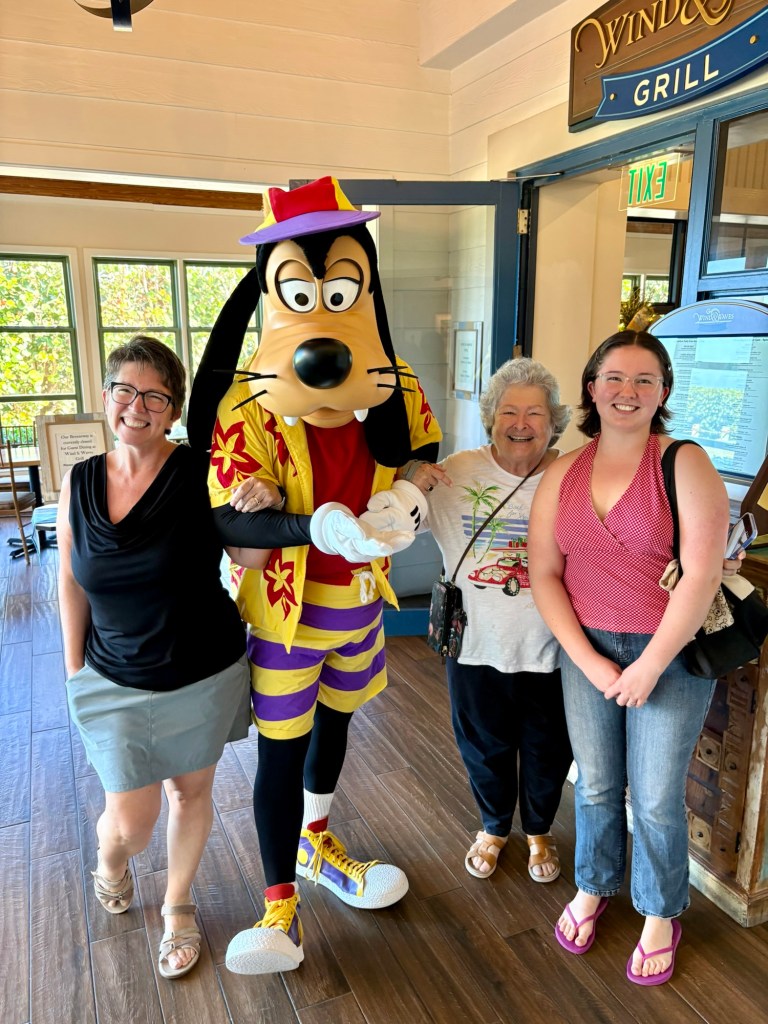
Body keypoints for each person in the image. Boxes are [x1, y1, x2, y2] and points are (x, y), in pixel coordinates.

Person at [186, 176, 442, 976]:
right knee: (281, 749)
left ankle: (318, 843)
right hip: (285, 617)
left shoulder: (393, 379)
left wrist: (410, 491)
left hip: (361, 605)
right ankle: (278, 907)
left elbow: (425, 449)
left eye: (338, 290)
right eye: (300, 292)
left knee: (337, 725)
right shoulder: (247, 400)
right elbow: (232, 521)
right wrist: (288, 516)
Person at [528, 330, 730, 985]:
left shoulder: (683, 463)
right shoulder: (562, 471)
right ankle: (593, 885)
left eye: (645, 379)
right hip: (584, 649)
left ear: (663, 391)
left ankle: (660, 910)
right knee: (594, 784)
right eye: (614, 377)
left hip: (667, 652)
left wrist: (650, 665)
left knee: (655, 797)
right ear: (592, 387)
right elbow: (543, 572)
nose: (628, 391)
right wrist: (588, 661)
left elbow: (700, 577)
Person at [57, 336, 252, 980]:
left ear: (173, 410)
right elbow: (70, 581)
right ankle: (111, 862)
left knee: (190, 793)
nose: (136, 406)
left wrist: (262, 500)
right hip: (111, 674)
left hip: (202, 670)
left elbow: (250, 558)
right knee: (130, 825)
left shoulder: (205, 472)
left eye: (155, 396)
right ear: (106, 395)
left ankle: (177, 905)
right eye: (125, 390)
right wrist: (73, 669)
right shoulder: (79, 481)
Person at [423, 358, 574, 883]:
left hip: (555, 646)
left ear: (554, 421)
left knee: (548, 749)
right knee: (483, 746)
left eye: (535, 412)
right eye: (509, 411)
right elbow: (396, 515)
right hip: (475, 643)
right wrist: (406, 476)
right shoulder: (457, 472)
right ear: (490, 417)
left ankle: (539, 830)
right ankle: (492, 826)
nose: (521, 423)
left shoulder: (574, 476)